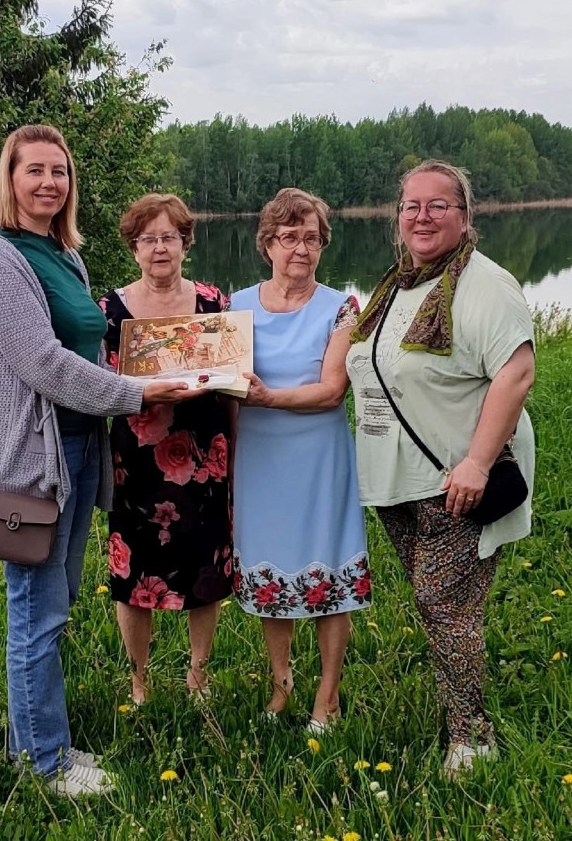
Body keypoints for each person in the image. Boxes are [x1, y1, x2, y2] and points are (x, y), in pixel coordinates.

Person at [0, 125, 199, 796]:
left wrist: (157, 372)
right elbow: (41, 362)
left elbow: (90, 351)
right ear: (10, 179)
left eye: (59, 171)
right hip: (31, 459)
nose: (49, 182)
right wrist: (139, 393)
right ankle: (43, 764)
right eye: (34, 170)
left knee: (55, 603)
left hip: (78, 447)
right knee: (34, 610)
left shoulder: (65, 254)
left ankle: (38, 740)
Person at [346, 160, 537, 774]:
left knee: (447, 606)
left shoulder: (485, 285)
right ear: (398, 216)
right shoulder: (399, 285)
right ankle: (457, 711)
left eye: (437, 205)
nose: (422, 217)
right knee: (437, 605)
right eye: (411, 206)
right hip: (398, 480)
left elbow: (517, 372)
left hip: (455, 480)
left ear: (464, 214)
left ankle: (471, 738)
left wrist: (477, 463)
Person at [231, 187, 370, 734]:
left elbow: (332, 390)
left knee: (327, 569)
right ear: (267, 244)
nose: (301, 249)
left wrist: (268, 398)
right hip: (258, 460)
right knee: (271, 570)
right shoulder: (235, 307)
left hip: (319, 460)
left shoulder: (341, 308)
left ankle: (327, 696)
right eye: (289, 237)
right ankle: (281, 685)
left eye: (312, 238)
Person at [99, 193, 235, 704]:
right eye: (149, 239)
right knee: (133, 570)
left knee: (206, 564)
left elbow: (232, 377)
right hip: (135, 459)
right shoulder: (109, 311)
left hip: (204, 454)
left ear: (185, 244)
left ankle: (199, 674)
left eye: (170, 238)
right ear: (134, 247)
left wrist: (236, 445)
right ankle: (139, 681)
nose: (160, 248)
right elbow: (97, 381)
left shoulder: (213, 303)